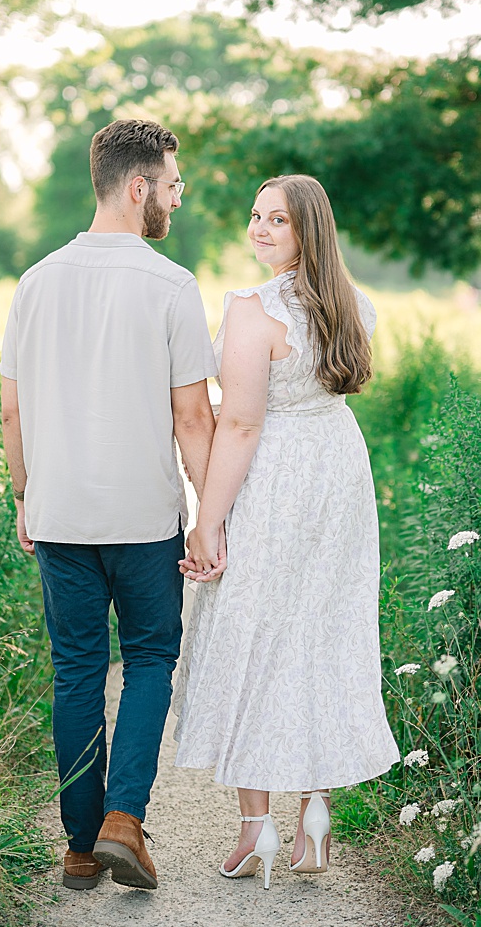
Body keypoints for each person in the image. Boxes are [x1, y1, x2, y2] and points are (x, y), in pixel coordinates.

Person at [0, 118, 218, 893]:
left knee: (77, 670)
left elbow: (12, 414)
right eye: (172, 185)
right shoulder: (171, 286)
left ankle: (80, 848)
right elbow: (194, 418)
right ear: (138, 188)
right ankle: (125, 817)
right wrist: (211, 513)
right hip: (142, 517)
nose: (175, 200)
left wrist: (25, 494)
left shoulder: (35, 282)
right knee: (153, 656)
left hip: (59, 512)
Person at [172, 174, 401, 888]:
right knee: (324, 630)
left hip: (278, 478)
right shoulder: (355, 304)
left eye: (279, 220)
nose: (261, 228)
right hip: (339, 470)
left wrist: (207, 520)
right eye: (256, 216)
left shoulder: (252, 310)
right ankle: (315, 817)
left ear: (309, 230)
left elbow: (240, 423)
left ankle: (256, 828)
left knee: (255, 631)